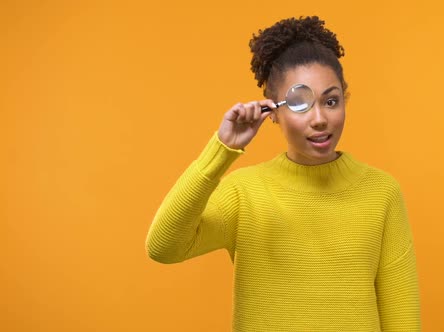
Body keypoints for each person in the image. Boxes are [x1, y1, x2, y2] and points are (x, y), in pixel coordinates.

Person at [145, 16, 421, 331]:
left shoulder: (381, 192)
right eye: (300, 105)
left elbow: (402, 317)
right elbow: (164, 248)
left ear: (345, 98)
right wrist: (222, 150)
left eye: (331, 101)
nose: (319, 119)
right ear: (273, 112)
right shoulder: (244, 192)